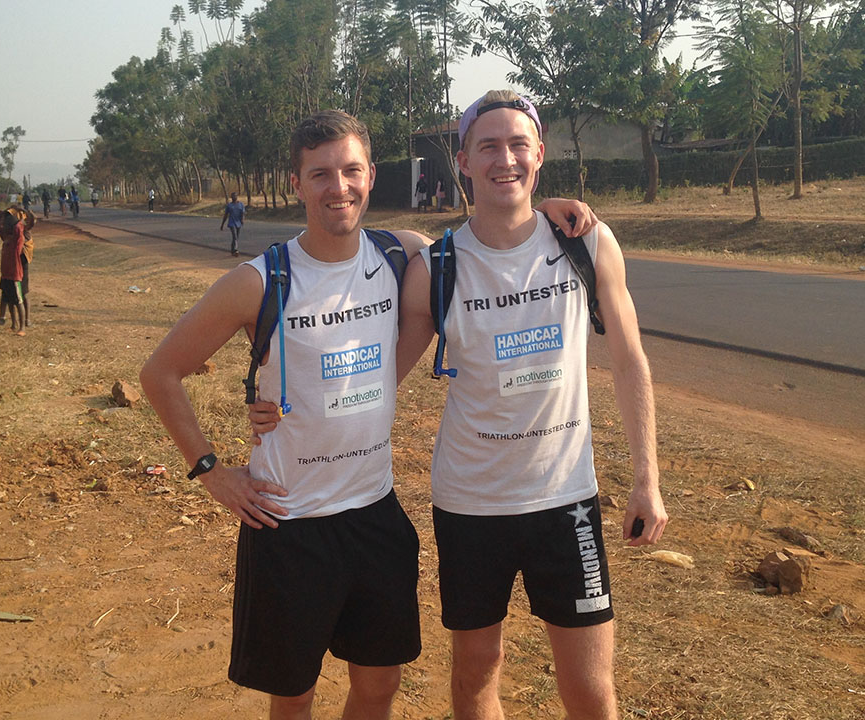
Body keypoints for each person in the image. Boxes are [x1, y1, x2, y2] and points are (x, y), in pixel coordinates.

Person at [252, 91, 665, 720]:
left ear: (540, 155)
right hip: (470, 506)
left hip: (567, 498)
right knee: (475, 675)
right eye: (489, 147)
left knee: (590, 691)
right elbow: (375, 372)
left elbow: (631, 361)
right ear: (463, 161)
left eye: (519, 145)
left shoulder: (588, 244)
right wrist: (276, 405)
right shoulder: (437, 266)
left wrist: (646, 480)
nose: (506, 159)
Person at [139, 111, 424, 719]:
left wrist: (555, 208)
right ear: (295, 183)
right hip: (288, 523)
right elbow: (160, 373)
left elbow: (487, 239)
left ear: (371, 176)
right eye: (319, 173)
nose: (337, 187)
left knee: (379, 688)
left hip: (375, 513)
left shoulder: (401, 255)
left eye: (350, 170)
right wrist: (212, 471)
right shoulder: (259, 281)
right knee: (293, 698)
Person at [0, 207, 27, 336]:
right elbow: (1, 232)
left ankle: (22, 328)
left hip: (14, 274)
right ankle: (13, 325)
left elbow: (20, 230)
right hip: (6, 274)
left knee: (18, 301)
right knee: (8, 300)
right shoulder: (6, 238)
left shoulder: (16, 240)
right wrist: (0, 224)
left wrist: (15, 219)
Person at [219, 192, 246, 257]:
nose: (234, 197)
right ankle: (236, 250)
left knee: (236, 237)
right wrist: (222, 224)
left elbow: (243, 213)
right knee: (235, 236)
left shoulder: (241, 204)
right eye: (232, 196)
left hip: (238, 223)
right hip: (232, 223)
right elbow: (226, 215)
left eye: (235, 196)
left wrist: (242, 220)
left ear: (237, 197)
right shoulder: (229, 205)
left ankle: (232, 250)